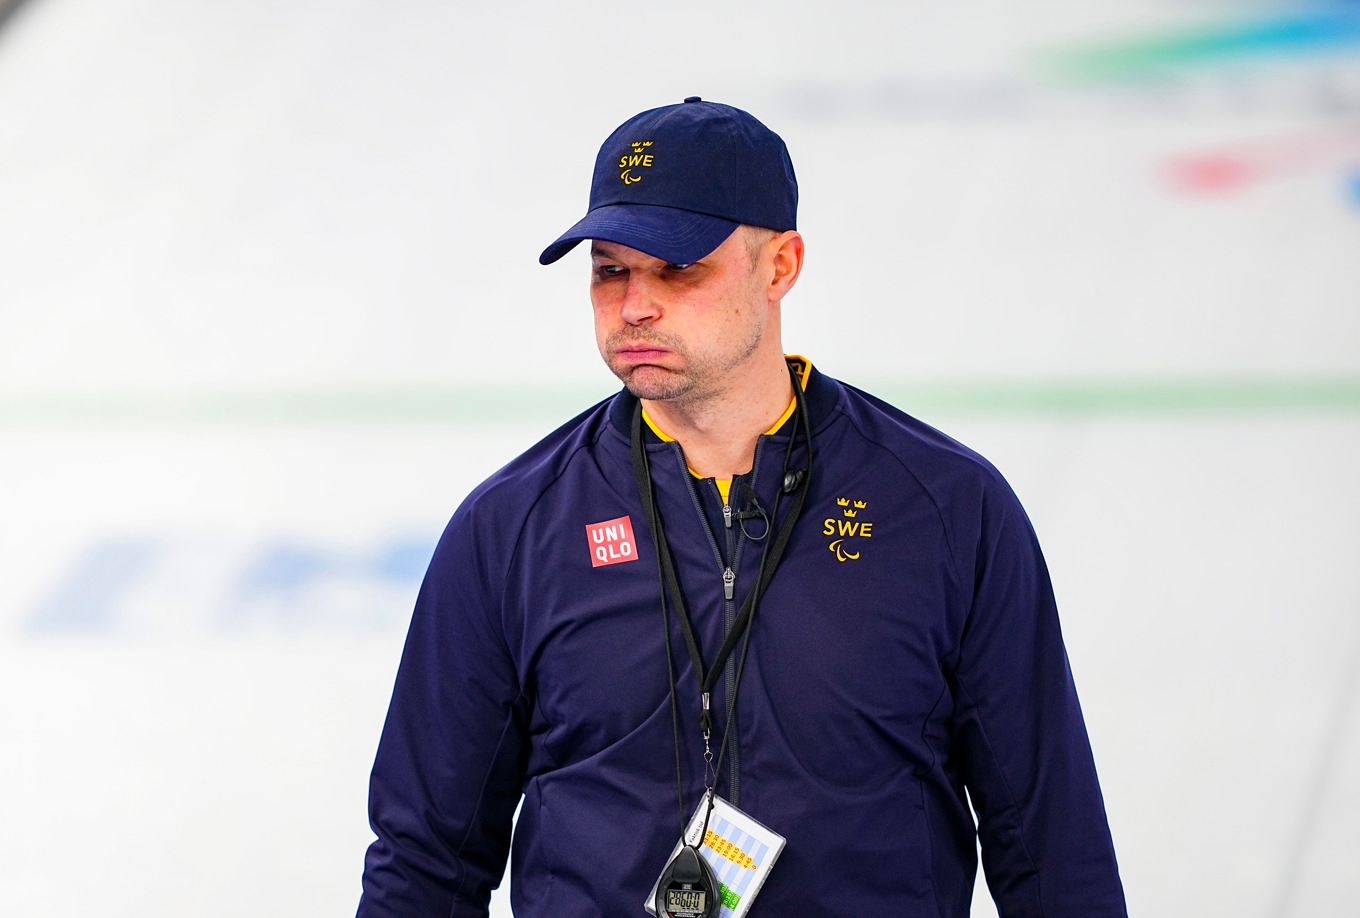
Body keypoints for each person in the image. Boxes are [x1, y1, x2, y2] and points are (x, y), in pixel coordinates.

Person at [357, 98, 1127, 918]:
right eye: (610, 270)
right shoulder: (511, 528)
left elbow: (1050, 846)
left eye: (678, 269)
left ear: (780, 267)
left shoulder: (946, 508)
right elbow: (426, 860)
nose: (634, 304)